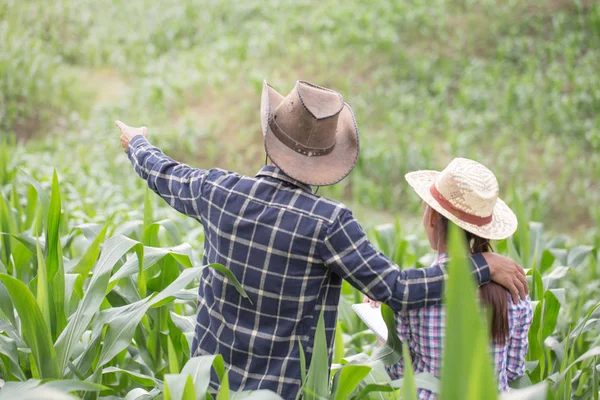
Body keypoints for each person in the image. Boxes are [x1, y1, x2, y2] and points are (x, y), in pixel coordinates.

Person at [115, 80, 528, 399]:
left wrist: (136, 143)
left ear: (271, 136)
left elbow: (166, 173)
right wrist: (484, 264)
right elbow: (399, 290)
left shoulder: (219, 191)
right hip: (287, 392)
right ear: (328, 158)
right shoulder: (329, 223)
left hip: (208, 384)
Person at [365, 157, 533, 399]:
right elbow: (513, 370)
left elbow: (399, 374)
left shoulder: (412, 295)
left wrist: (382, 324)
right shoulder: (515, 291)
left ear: (432, 218)